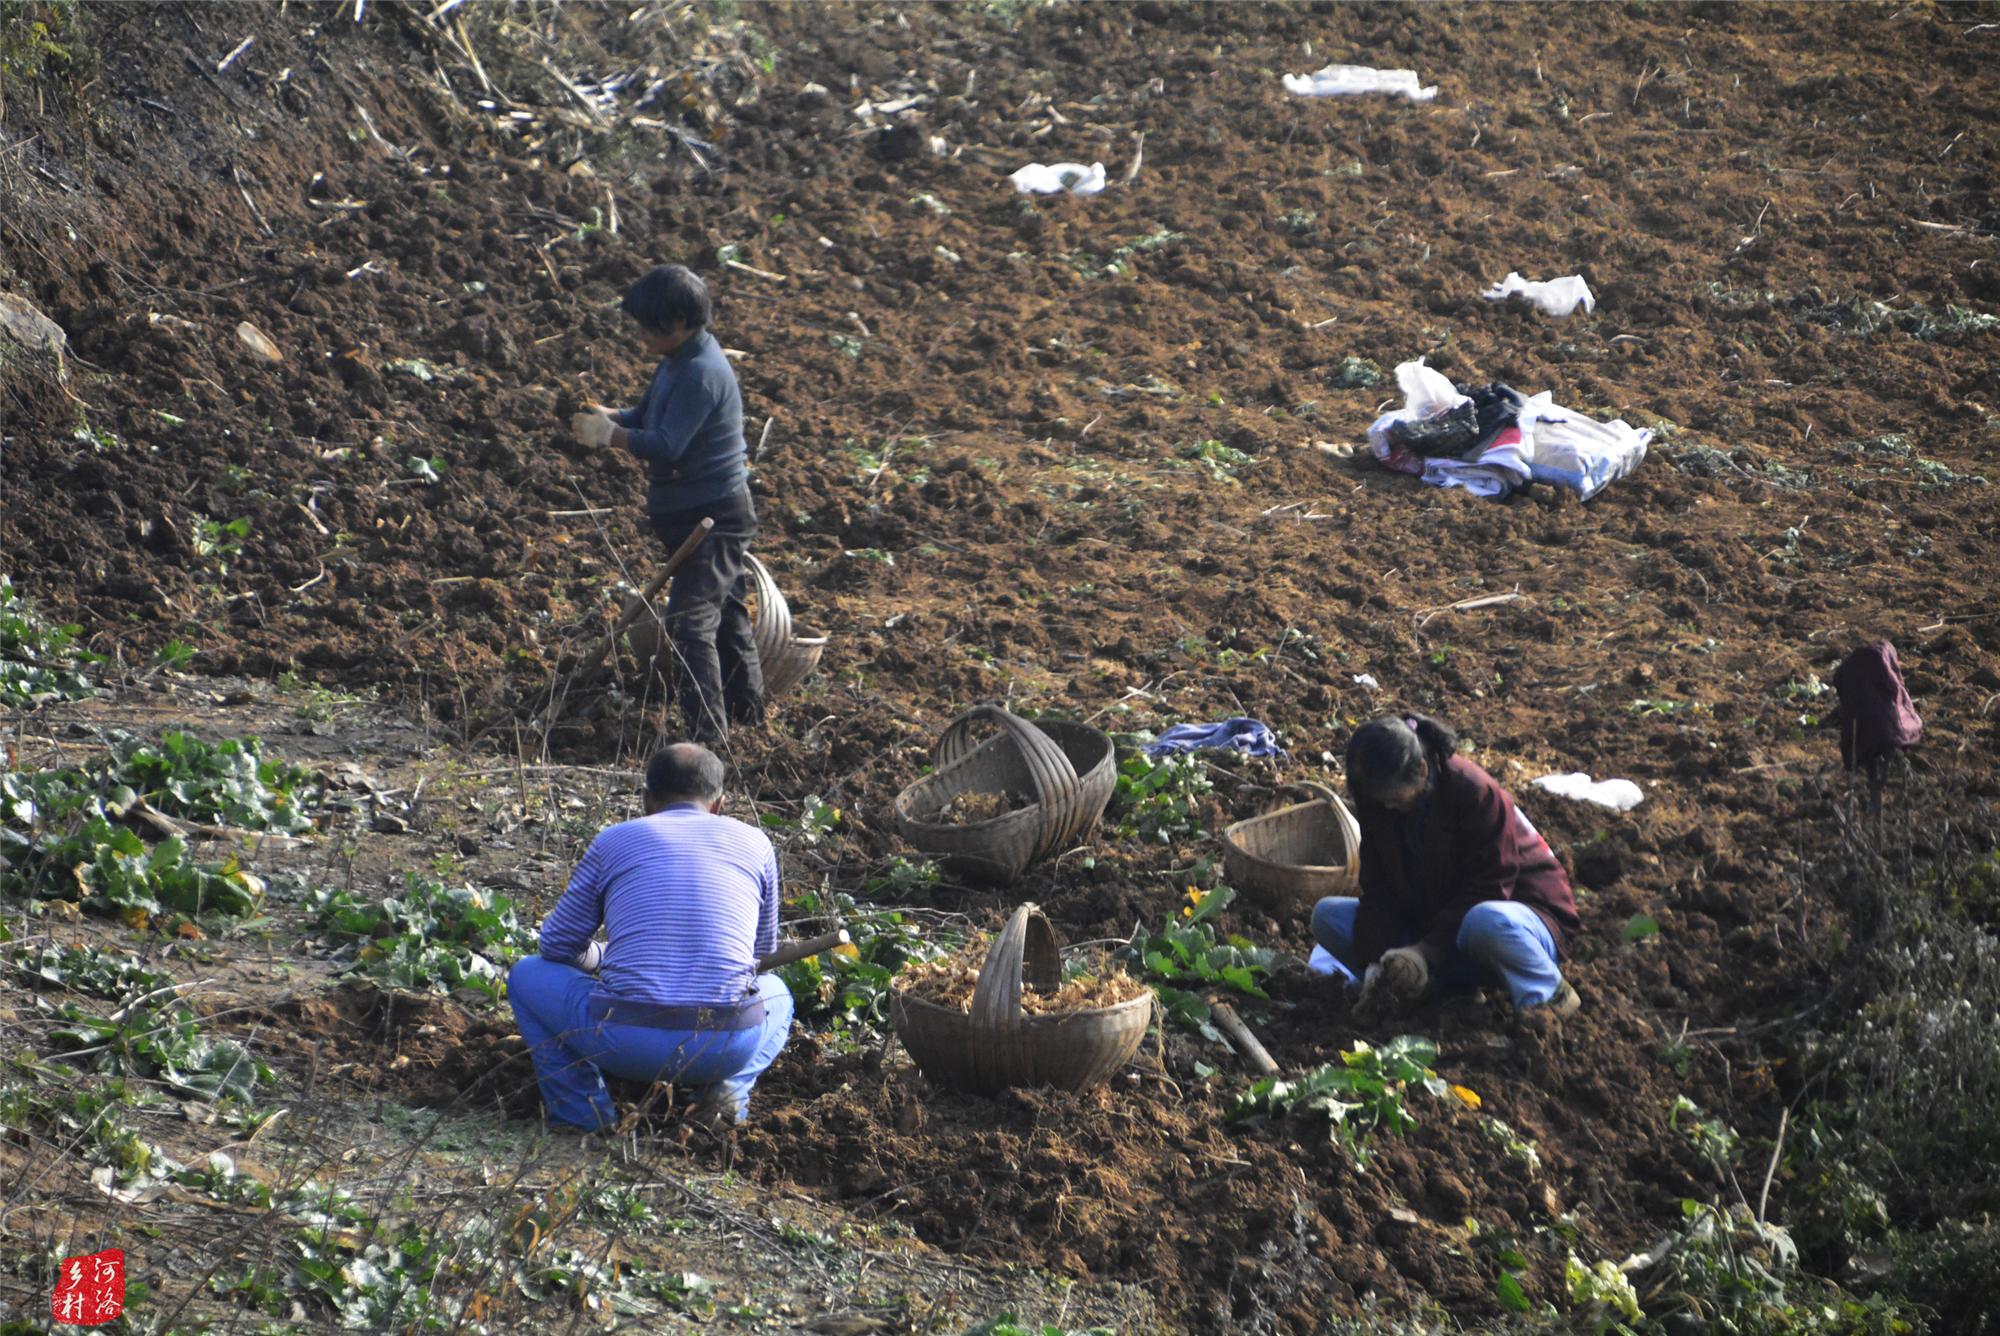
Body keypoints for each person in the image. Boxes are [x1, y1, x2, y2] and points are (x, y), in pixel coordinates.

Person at [507, 743, 792, 1130]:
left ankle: (582, 1114)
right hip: (724, 1046)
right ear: (720, 804)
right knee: (779, 994)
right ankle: (727, 1093)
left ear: (646, 800)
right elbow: (760, 956)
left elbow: (555, 946)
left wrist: (602, 957)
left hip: (623, 1043)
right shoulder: (757, 844)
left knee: (527, 974)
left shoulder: (614, 841)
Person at [569, 263, 762, 745]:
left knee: (691, 622)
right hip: (694, 512)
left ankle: (708, 739)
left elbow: (669, 443)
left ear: (676, 322)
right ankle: (748, 715)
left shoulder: (700, 373)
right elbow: (649, 414)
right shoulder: (679, 359)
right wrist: (610, 416)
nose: (639, 335)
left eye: (646, 326)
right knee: (729, 612)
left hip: (713, 516)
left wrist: (612, 436)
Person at [1312, 714, 1582, 1016]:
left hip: (1515, 922)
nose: (1387, 807)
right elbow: (1378, 889)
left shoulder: (1475, 792)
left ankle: (1547, 997)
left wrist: (1425, 951)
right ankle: (1436, 991)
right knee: (1327, 916)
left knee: (1485, 920)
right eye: (1379, 800)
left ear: (1421, 769)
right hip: (1440, 927)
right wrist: (1376, 961)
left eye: (1392, 798)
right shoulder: (1377, 802)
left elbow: (1490, 887)